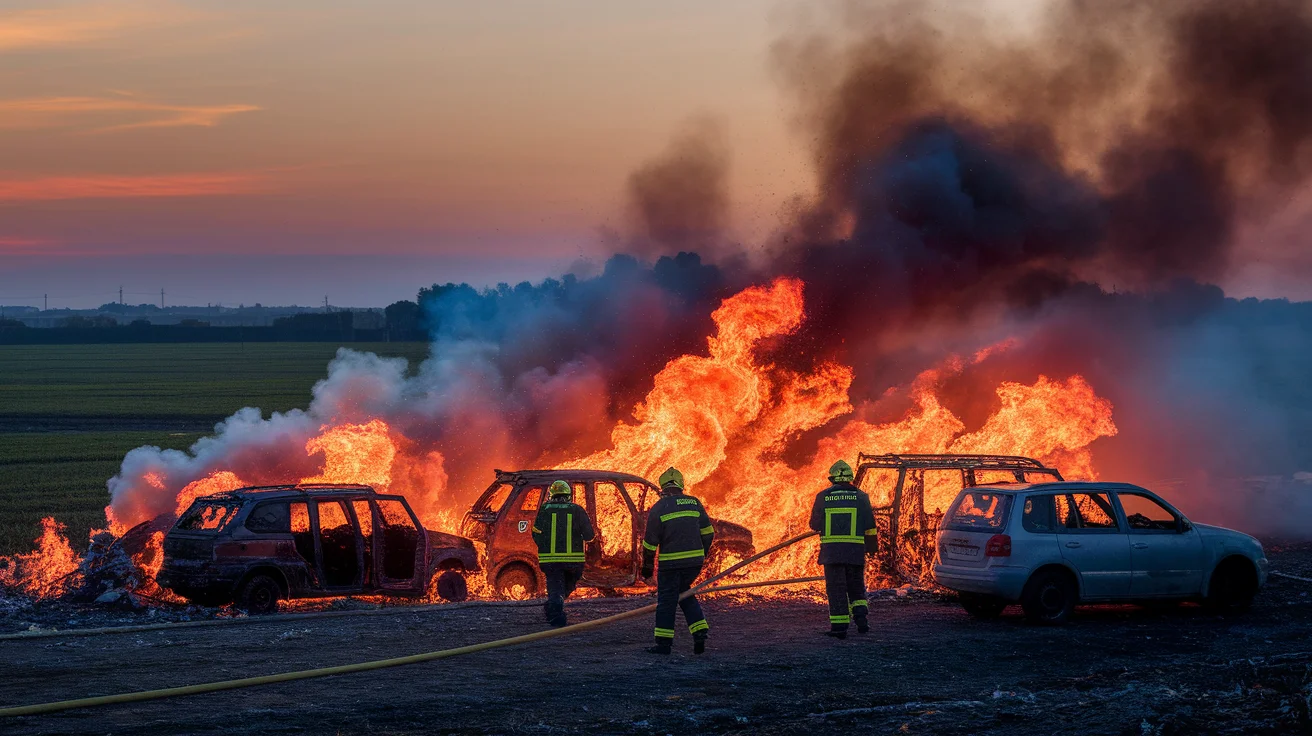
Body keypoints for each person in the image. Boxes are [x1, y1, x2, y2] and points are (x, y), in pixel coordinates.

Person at [641, 466, 715, 655]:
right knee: (684, 592)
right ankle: (699, 631)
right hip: (693, 564)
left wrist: (647, 568)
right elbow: (708, 533)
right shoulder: (694, 503)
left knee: (667, 601)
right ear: (681, 485)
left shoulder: (659, 507)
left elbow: (650, 543)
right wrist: (702, 554)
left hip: (671, 565)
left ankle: (663, 644)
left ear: (662, 487)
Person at [809, 459, 878, 639]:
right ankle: (862, 622)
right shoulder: (861, 497)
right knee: (856, 587)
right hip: (855, 552)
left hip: (832, 554)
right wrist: (871, 548)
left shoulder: (823, 496)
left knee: (836, 589)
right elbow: (870, 526)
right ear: (850, 478)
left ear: (832, 479)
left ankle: (839, 628)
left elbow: (814, 524)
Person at [531, 480, 594, 627]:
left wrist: (546, 546)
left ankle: (553, 606)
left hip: (550, 561)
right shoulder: (577, 510)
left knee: (555, 588)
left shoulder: (544, 510)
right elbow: (589, 536)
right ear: (568, 495)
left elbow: (536, 533)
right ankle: (556, 618)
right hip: (574, 562)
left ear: (551, 495)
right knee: (566, 588)